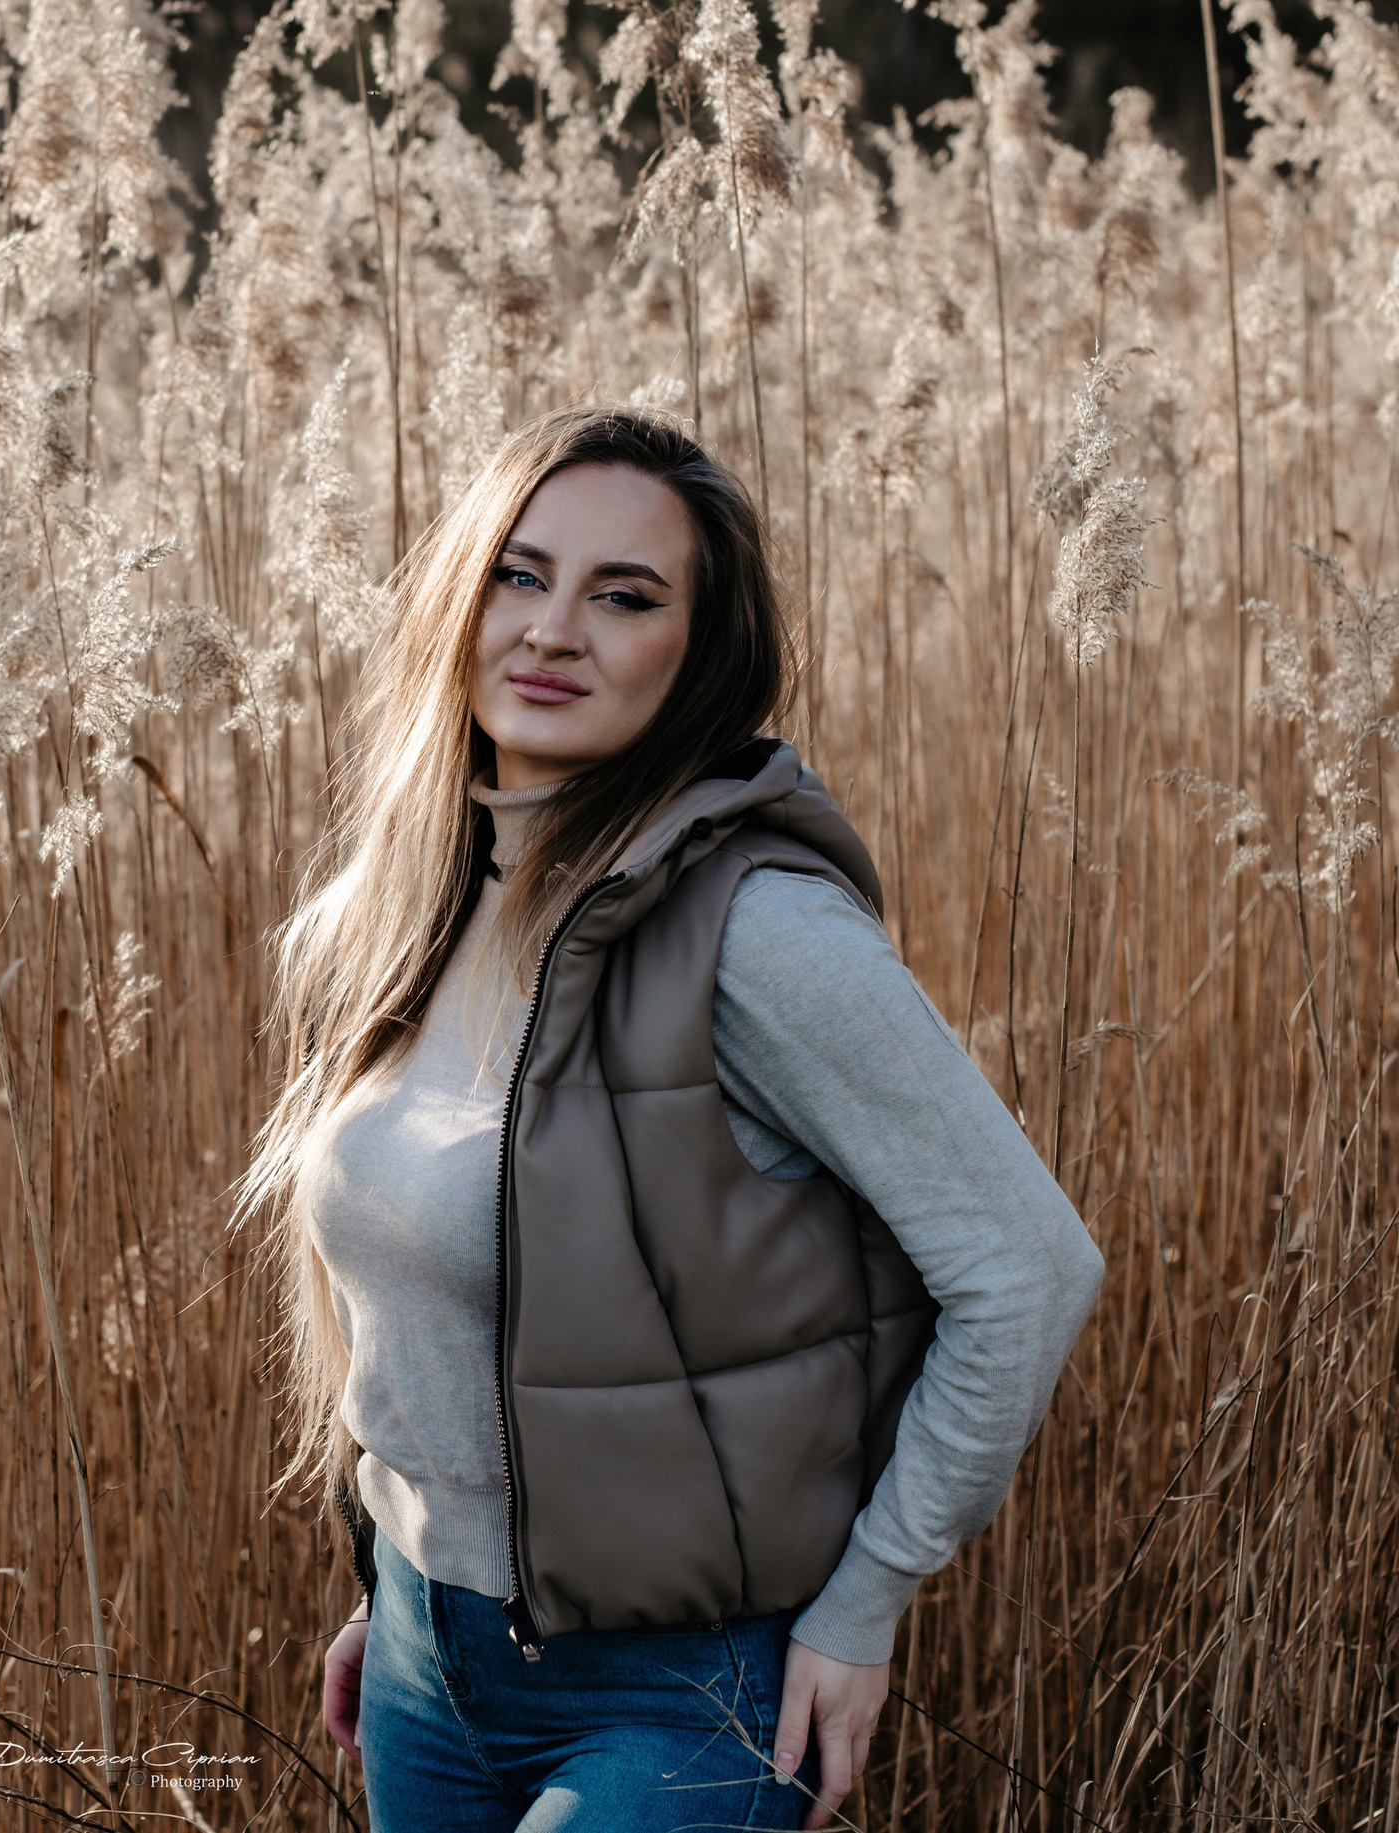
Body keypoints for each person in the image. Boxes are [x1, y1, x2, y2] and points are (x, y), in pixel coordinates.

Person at [228, 405, 1104, 1831]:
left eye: (624, 596)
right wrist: (400, 1573)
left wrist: (866, 1601)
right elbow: (426, 1306)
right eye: (520, 574)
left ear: (699, 656)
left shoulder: (758, 928)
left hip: (679, 1694)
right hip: (418, 1663)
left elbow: (1030, 1267)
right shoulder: (400, 915)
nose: (552, 629)